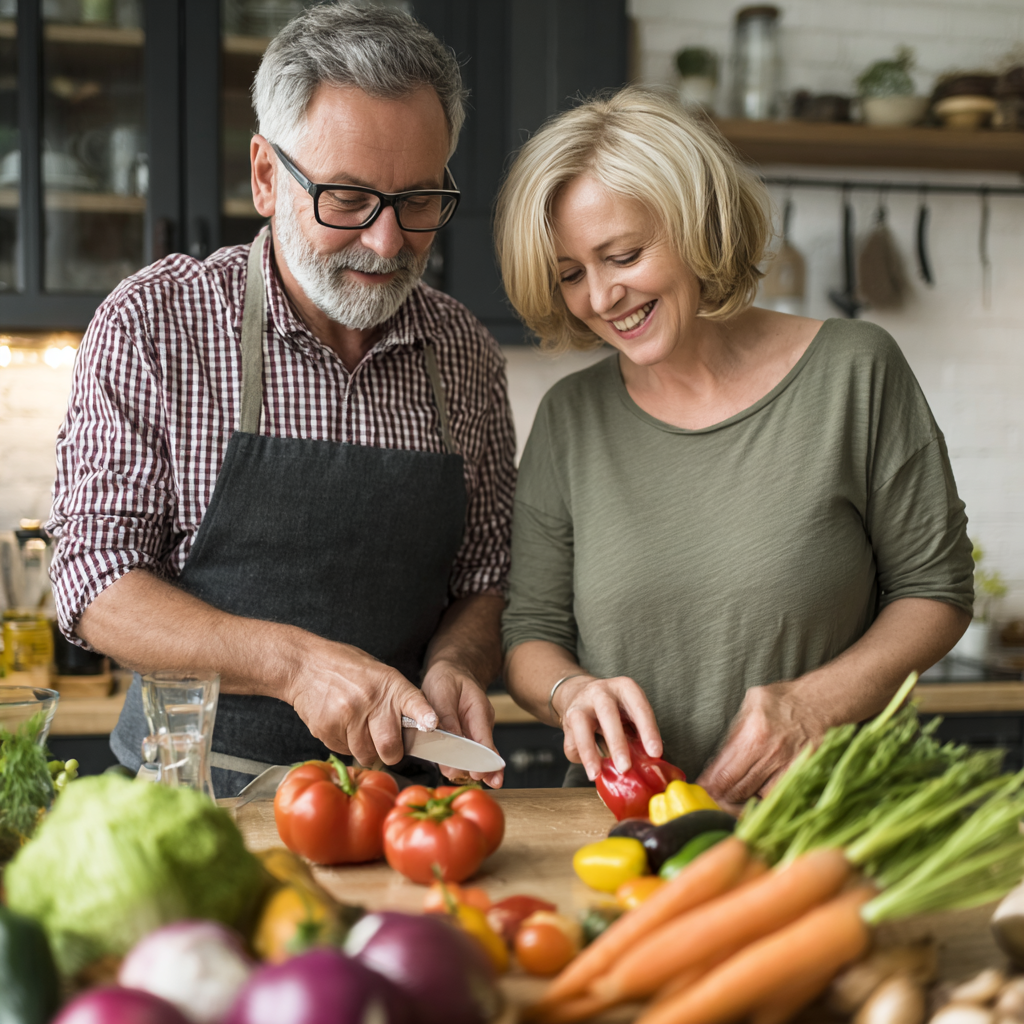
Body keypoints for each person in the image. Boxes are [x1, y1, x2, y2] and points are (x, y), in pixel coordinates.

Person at [47, 3, 516, 797]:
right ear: (267, 176)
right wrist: (295, 665)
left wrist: (457, 661)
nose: (387, 242)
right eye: (347, 199)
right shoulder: (158, 325)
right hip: (191, 799)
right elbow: (94, 579)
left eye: (419, 201)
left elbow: (486, 574)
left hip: (400, 806)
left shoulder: (464, 353)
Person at [495, 87, 973, 813]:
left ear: (696, 226)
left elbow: (935, 590)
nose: (600, 297)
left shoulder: (855, 371)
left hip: (830, 820)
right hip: (630, 826)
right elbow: (531, 635)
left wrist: (812, 706)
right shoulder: (572, 418)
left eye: (623, 255)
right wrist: (572, 692)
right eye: (570, 274)